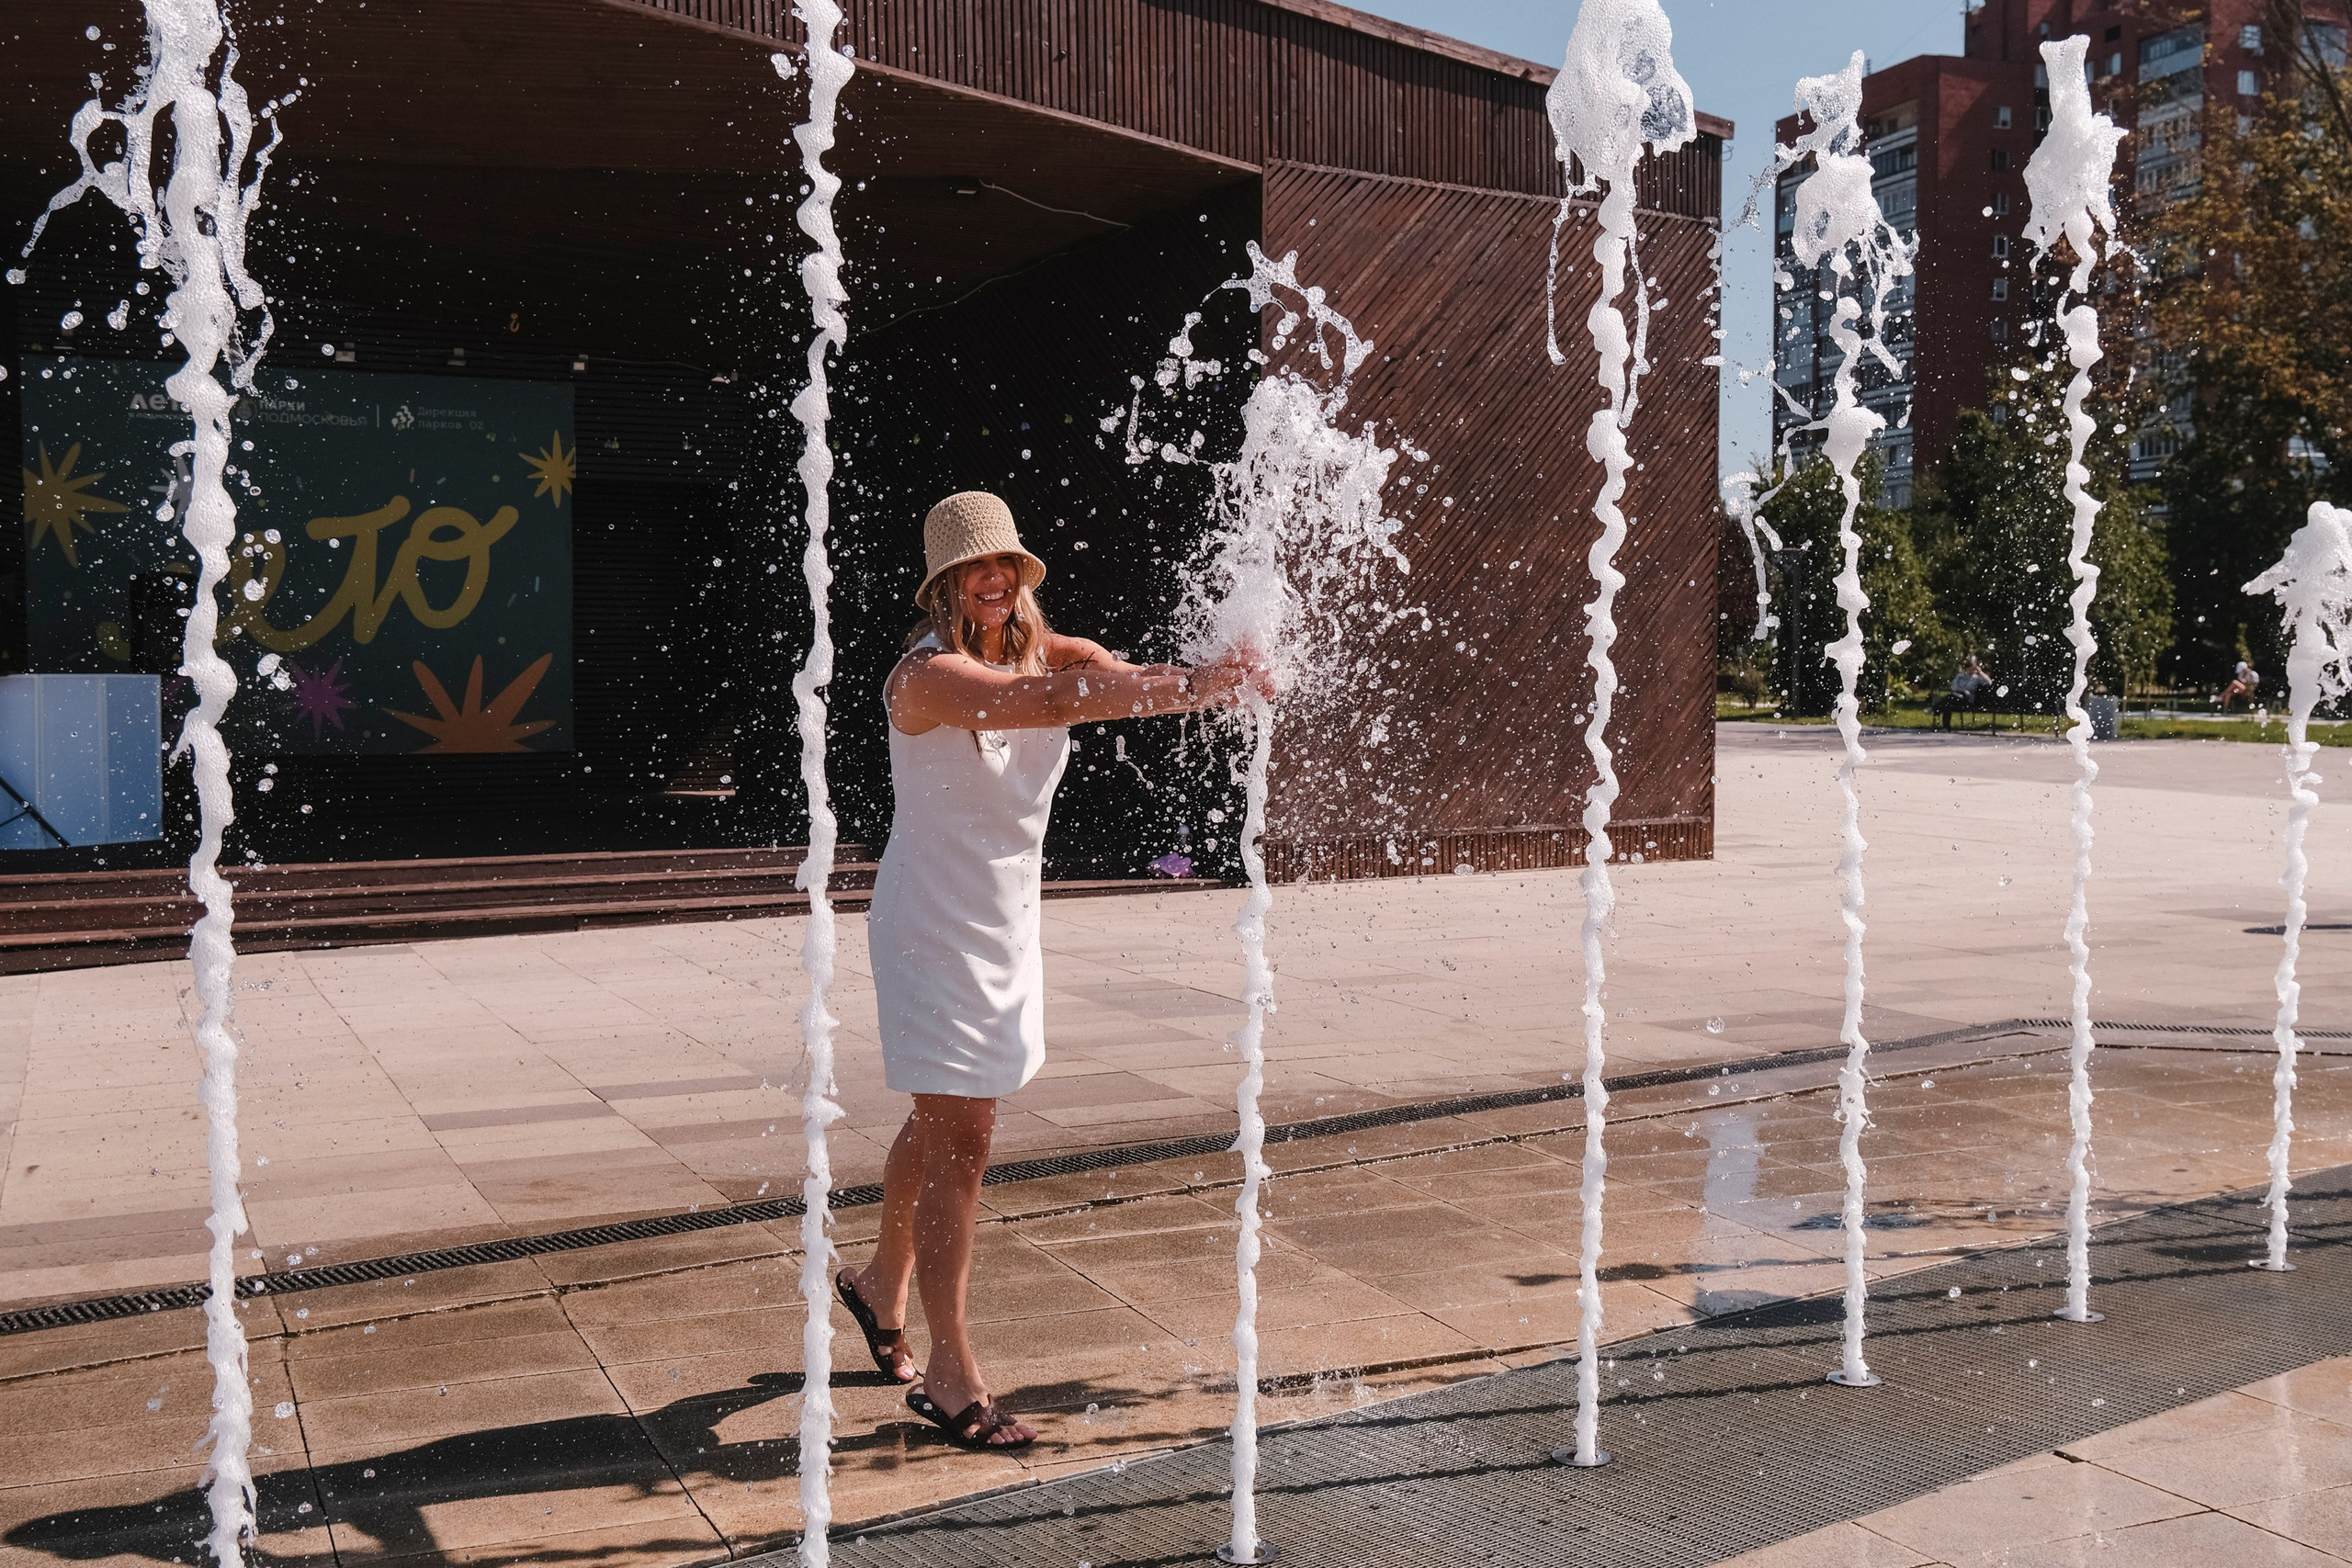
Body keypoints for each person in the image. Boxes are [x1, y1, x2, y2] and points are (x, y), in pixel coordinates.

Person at [832, 491, 1267, 1452]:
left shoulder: (1047, 649)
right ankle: (951, 1375)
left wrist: (1214, 677)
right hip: (931, 927)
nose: (993, 582)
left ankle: (876, 1282)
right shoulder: (926, 677)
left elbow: (1099, 677)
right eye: (971, 572)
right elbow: (1043, 704)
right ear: (944, 586)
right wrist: (1199, 683)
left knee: (941, 1116)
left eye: (1006, 567)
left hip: (1005, 924)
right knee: (964, 1137)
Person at [1932, 657, 1993, 729]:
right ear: (1966, 669)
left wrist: (1981, 672)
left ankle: (1935, 708)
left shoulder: (1976, 678)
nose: (1971, 671)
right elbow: (1954, 687)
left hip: (1967, 700)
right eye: (1970, 669)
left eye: (1973, 669)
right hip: (1956, 697)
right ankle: (1946, 727)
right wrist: (1963, 690)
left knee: (1948, 699)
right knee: (1947, 704)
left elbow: (1989, 682)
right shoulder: (1960, 677)